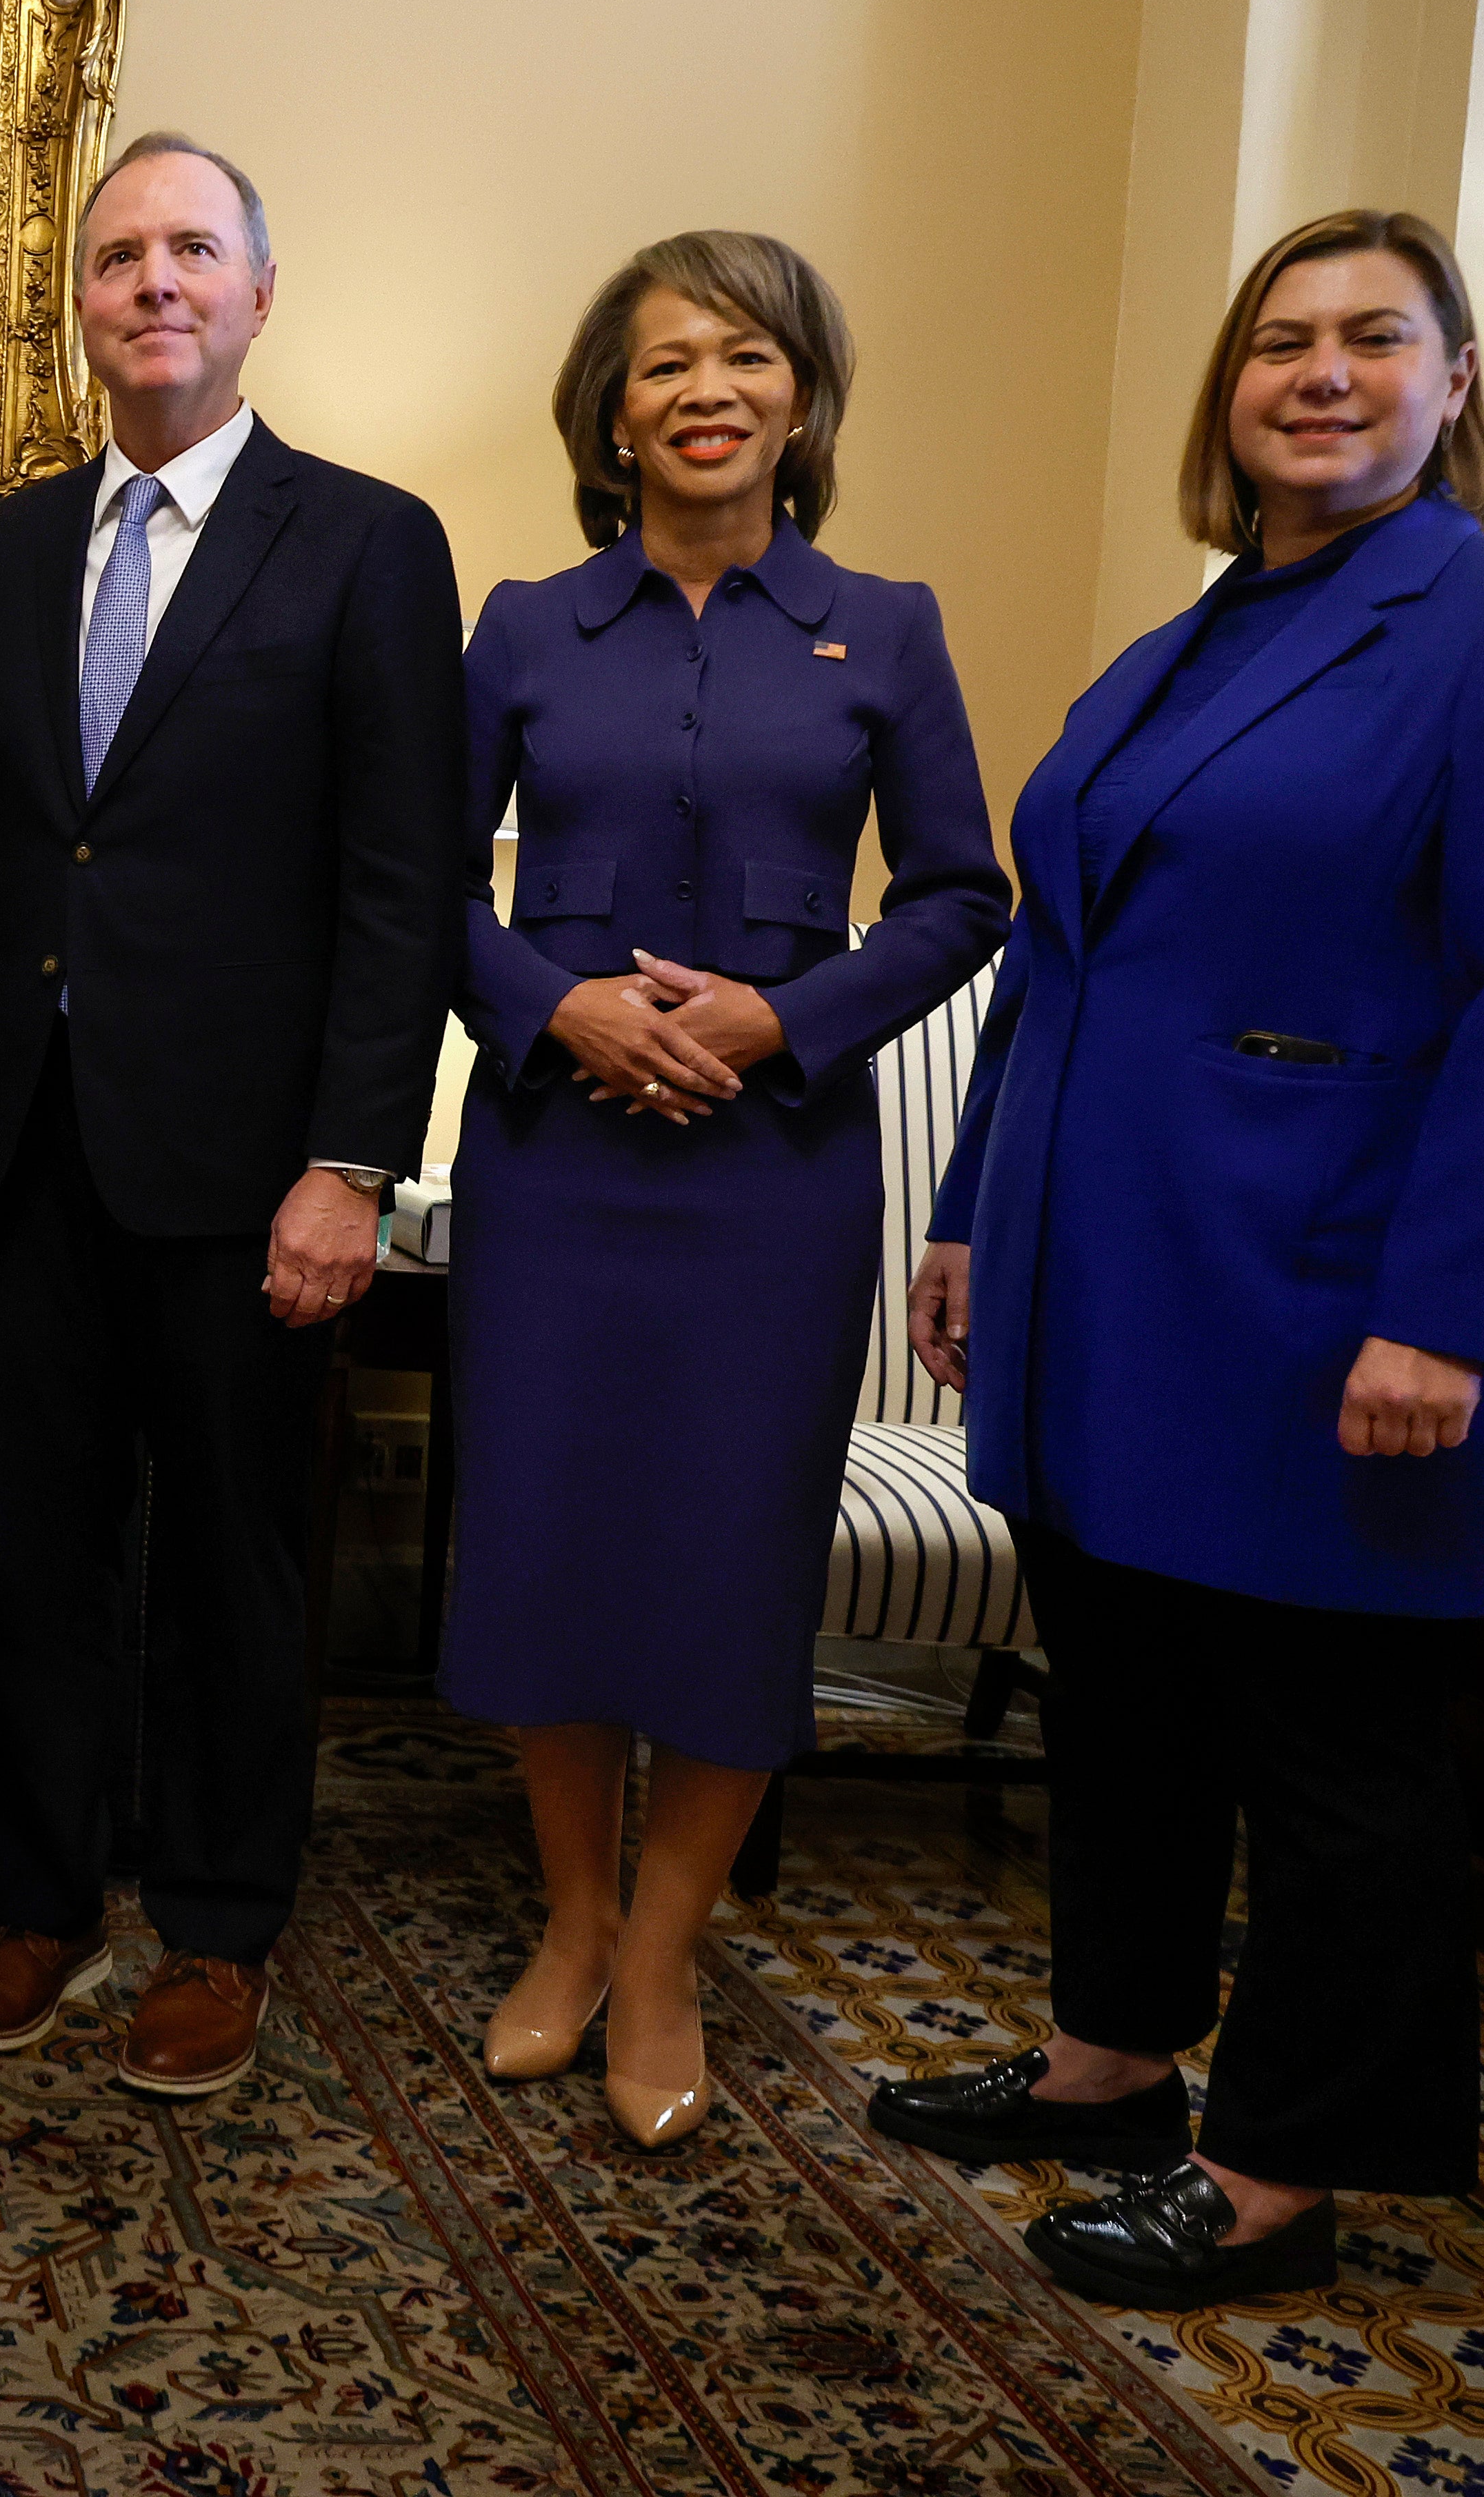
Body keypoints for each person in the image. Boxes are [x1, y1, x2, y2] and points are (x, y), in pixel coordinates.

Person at [868, 211, 1484, 2304]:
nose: (1318, 374)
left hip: (1333, 1299)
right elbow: (1057, 970)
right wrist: (971, 1216)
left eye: (1372, 339)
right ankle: (1109, 2061)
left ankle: (1285, 2171)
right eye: (1278, 343)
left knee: (1335, 1752)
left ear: (1456, 380)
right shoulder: (1170, 653)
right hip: (1101, 1278)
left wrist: (1454, 1313)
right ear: (1226, 395)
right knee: (1125, 1700)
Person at [0, 132, 470, 2097]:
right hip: (34, 1142)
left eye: (192, 250)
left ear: (257, 293)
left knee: (233, 1560)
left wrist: (350, 1164)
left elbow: (403, 878)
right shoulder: (10, 546)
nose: (154, 281)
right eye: (121, 252)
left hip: (251, 1173)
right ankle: (39, 1903)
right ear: (85, 299)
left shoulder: (370, 541)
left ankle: (219, 1928)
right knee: (35, 1550)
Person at [433, 233, 1005, 2147]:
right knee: (549, 1532)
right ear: (611, 412)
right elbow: (415, 889)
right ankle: (575, 1925)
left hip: (771, 1177)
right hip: (554, 1164)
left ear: (803, 398)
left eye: (743, 356)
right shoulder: (523, 625)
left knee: (728, 1554)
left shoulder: (889, 627)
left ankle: (669, 1953)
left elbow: (958, 901)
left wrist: (783, 1021)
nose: (703, 389)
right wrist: (560, 1006)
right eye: (664, 362)